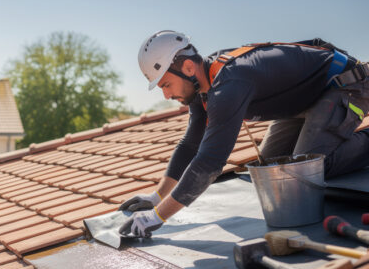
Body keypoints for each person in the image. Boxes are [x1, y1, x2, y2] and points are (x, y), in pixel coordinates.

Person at [119, 30, 369, 238]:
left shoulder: (229, 84)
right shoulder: (202, 88)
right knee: (272, 169)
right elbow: (189, 146)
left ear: (187, 67)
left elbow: (209, 162)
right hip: (307, 99)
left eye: (165, 84)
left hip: (345, 84)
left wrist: (158, 216)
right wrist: (156, 197)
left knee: (307, 167)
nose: (166, 95)